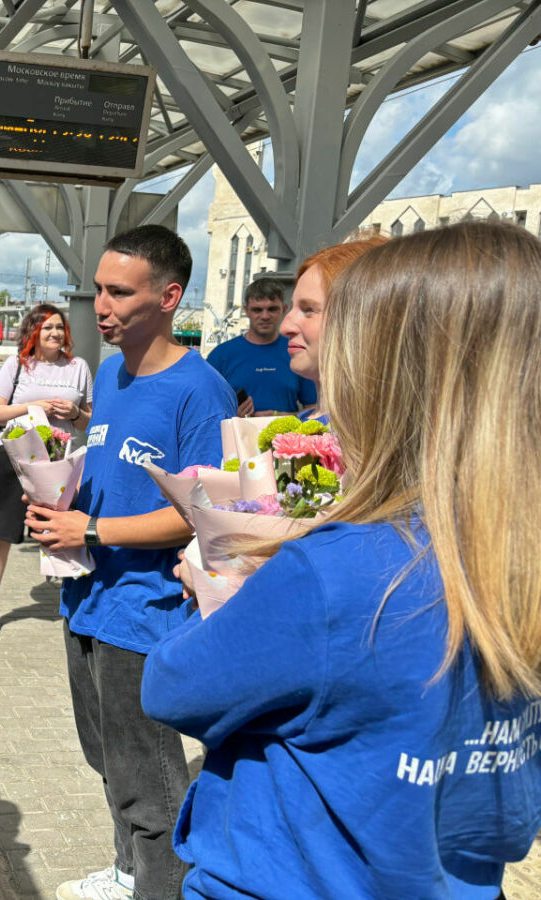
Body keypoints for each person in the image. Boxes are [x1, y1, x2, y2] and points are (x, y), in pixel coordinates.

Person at [144, 220, 541, 899]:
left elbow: (171, 686)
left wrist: (236, 590)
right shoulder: (511, 549)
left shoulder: (338, 573)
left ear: (397, 361)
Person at [24, 226, 235, 900]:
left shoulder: (199, 391)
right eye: (98, 290)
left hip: (145, 611)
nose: (101, 306)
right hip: (87, 595)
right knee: (106, 758)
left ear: (169, 298)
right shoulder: (112, 376)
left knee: (150, 779)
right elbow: (116, 479)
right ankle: (126, 873)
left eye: (119, 292)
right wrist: (59, 504)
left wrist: (90, 526)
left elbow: (204, 512)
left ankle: (162, 887)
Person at [0, 303, 93, 639]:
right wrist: (32, 407)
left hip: (58, 462)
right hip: (14, 457)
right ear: (33, 331)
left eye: (60, 327)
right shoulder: (17, 364)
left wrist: (75, 412)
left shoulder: (78, 367)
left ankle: (75, 610)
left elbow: (89, 421)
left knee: (62, 534)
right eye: (47, 327)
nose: (55, 333)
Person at [281, 233, 389, 423]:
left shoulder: (376, 435)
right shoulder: (300, 427)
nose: (284, 327)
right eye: (292, 307)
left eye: (309, 310)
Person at [206, 277, 315, 416]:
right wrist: (232, 416)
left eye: (272, 309)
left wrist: (280, 417)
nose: (265, 316)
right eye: (257, 310)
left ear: (284, 310)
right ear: (246, 311)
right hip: (234, 431)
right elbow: (204, 409)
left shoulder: (298, 352)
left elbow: (315, 409)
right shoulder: (220, 356)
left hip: (285, 431)